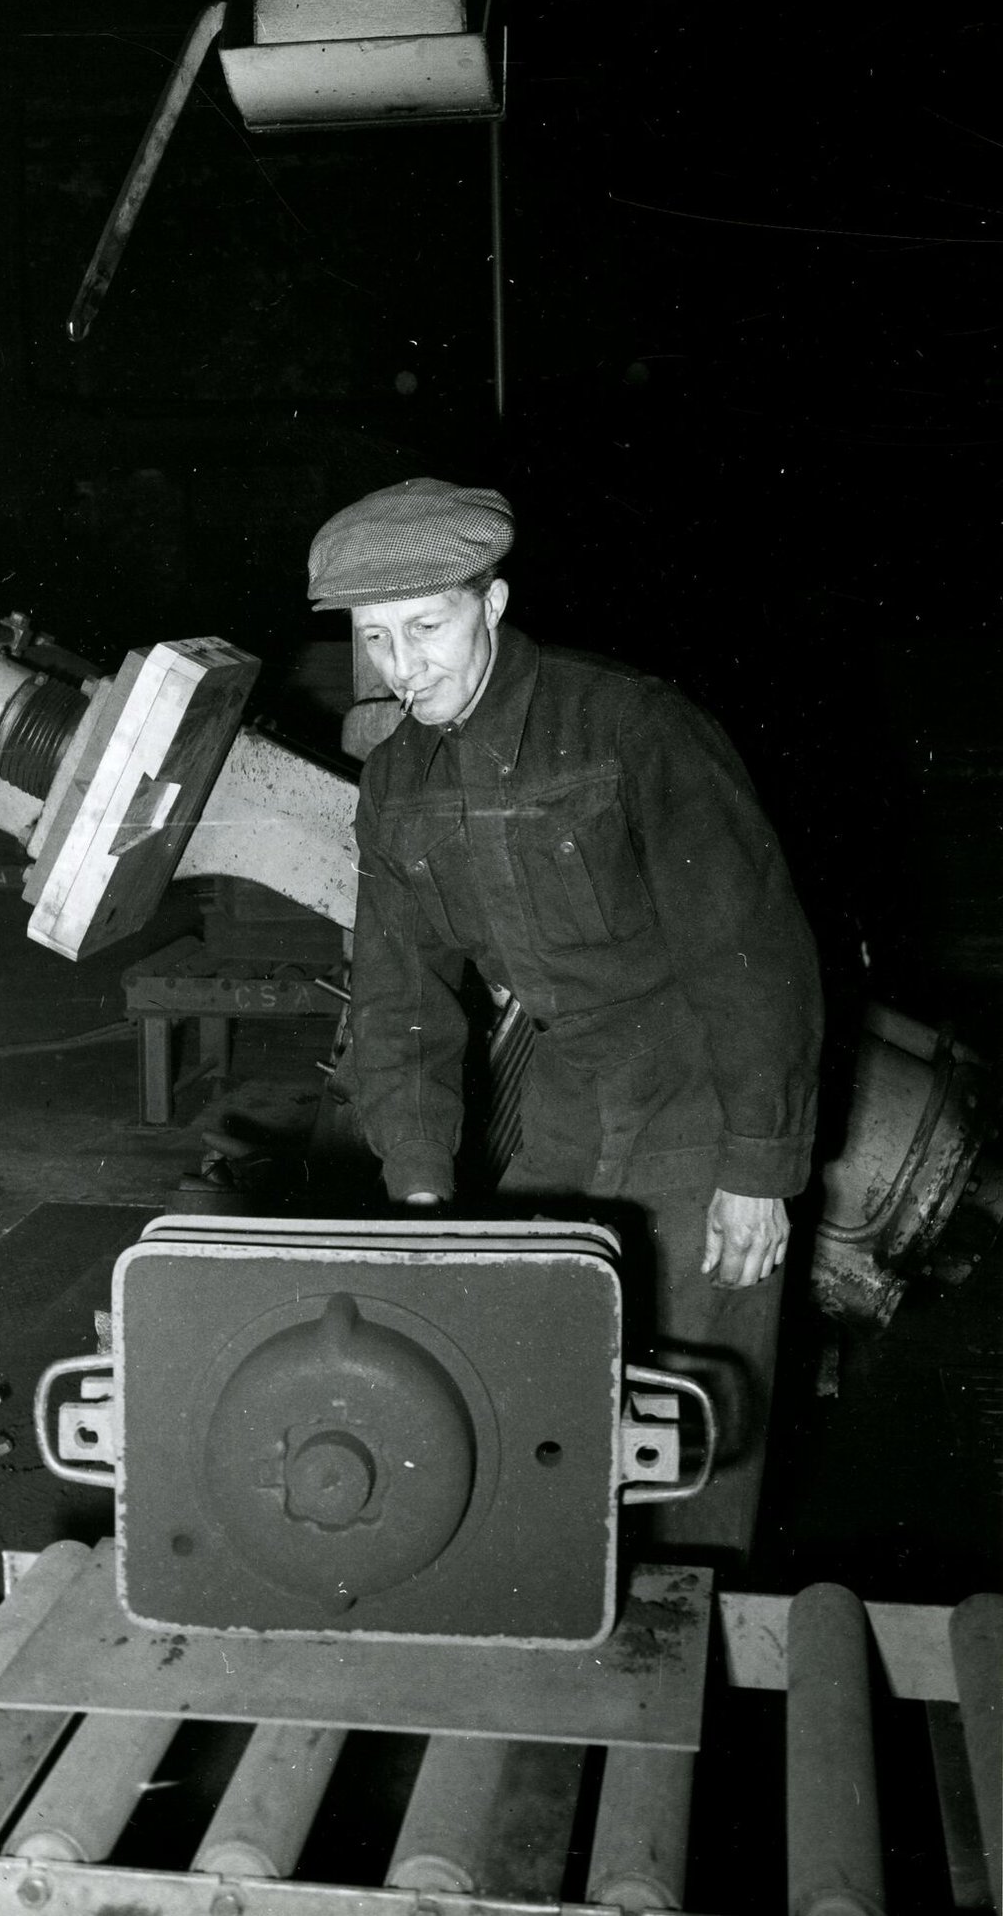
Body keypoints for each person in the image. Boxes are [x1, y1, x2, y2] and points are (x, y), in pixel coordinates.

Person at [311, 478, 824, 1564]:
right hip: (564, 1092)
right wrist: (417, 1186)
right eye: (375, 639)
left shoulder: (632, 728)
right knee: (533, 1376)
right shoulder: (398, 780)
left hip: (698, 1083)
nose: (404, 670)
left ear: (492, 602)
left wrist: (761, 1165)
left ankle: (694, 1638)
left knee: (692, 1406)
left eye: (428, 627)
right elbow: (397, 1000)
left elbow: (751, 952)